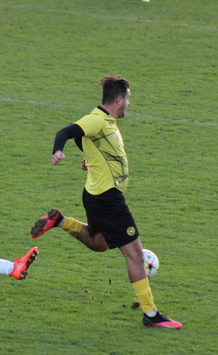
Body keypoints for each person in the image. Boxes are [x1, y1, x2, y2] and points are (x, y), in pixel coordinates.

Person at [30, 76, 181, 329]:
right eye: (128, 99)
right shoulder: (96, 119)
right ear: (119, 99)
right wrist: (57, 150)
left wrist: (89, 157)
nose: (129, 104)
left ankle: (61, 221)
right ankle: (151, 314)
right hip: (108, 199)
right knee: (134, 255)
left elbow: (88, 142)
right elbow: (67, 132)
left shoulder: (105, 121)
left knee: (100, 244)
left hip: (97, 195)